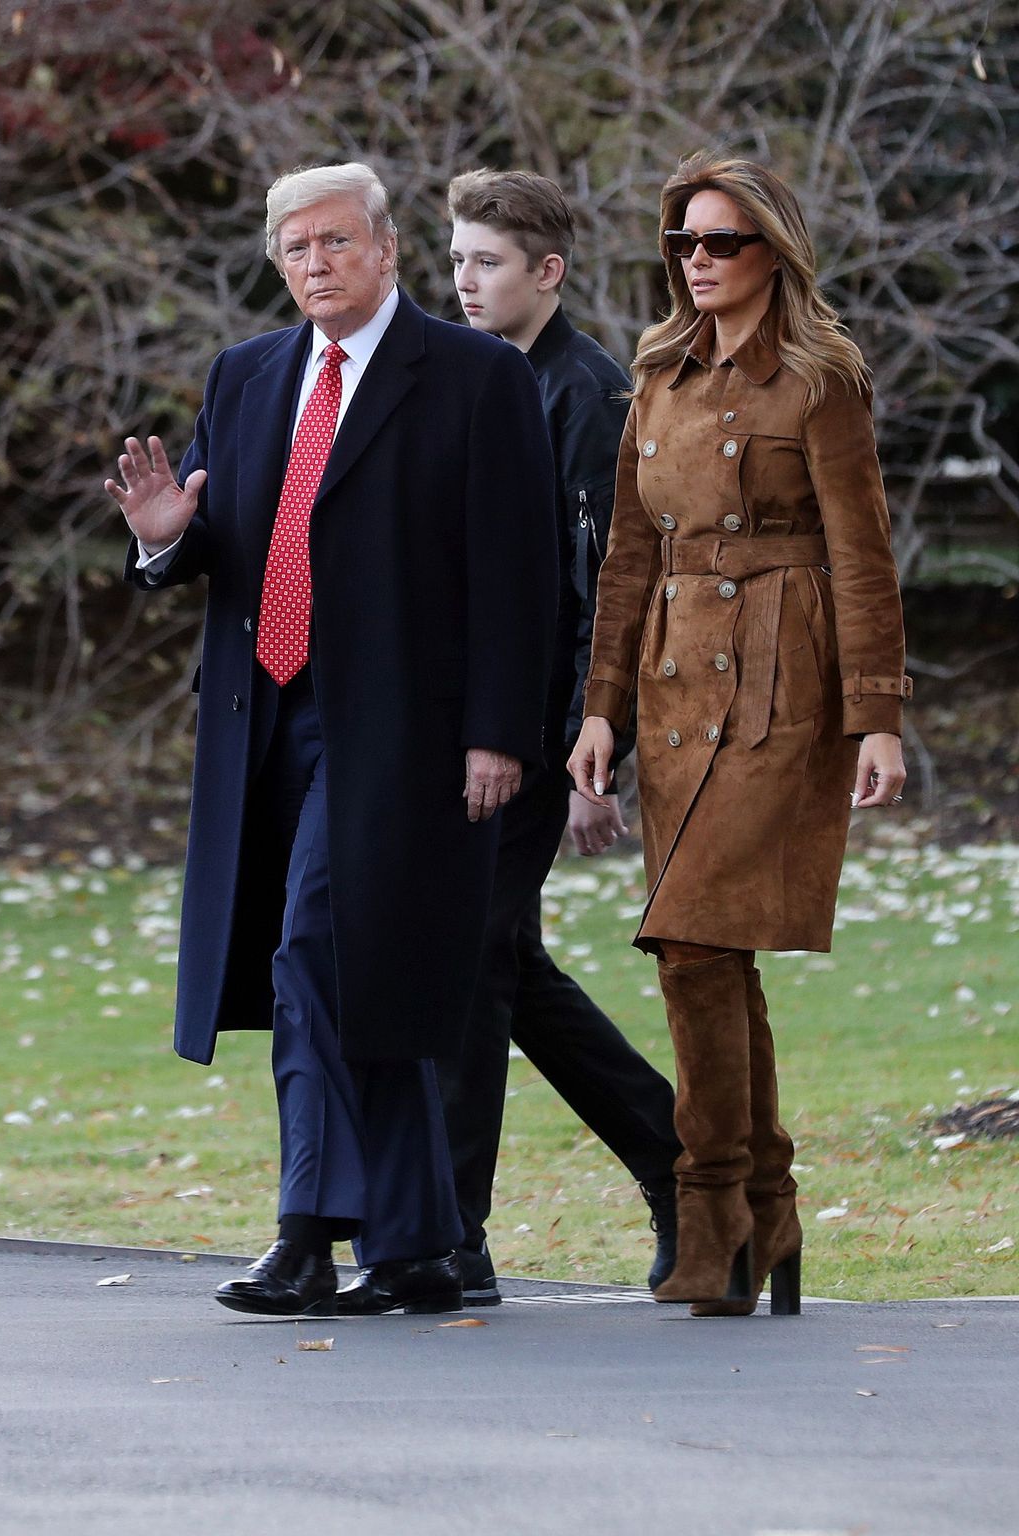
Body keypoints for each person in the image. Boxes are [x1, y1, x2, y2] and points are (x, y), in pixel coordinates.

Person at [105, 162, 557, 1318]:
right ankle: (414, 1246)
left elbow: (520, 573)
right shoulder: (248, 375)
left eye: (336, 242)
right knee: (358, 974)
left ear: (388, 247)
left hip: (407, 734)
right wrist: (167, 541)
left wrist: (500, 733)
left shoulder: (474, 378)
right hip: (265, 724)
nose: (316, 264)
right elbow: (230, 544)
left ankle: (305, 1233)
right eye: (296, 248)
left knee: (313, 952)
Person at [568, 155, 910, 1317]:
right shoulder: (654, 376)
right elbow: (626, 557)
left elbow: (863, 555)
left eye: (719, 241)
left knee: (698, 943)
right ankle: (765, 1207)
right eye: (681, 244)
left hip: (782, 687)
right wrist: (599, 708)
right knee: (699, 949)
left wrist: (877, 717)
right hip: (668, 688)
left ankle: (713, 1211)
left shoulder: (820, 381)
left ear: (773, 250)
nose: (697, 260)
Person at [440, 169, 681, 1305]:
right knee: (500, 964)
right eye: (454, 260)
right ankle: (680, 1161)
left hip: (540, 736)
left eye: (486, 262)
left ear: (549, 272)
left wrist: (598, 750)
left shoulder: (583, 396)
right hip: (468, 727)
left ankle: (456, 1232)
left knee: (483, 964)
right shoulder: (474, 383)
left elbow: (612, 592)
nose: (464, 282)